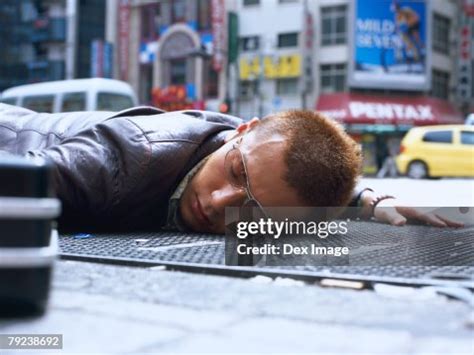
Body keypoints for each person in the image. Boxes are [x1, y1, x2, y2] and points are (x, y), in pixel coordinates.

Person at [0, 103, 460, 233]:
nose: (218, 203)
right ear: (244, 130)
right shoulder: (132, 157)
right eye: (236, 172)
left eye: (253, 212)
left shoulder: (254, 153)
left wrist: (369, 200)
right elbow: (29, 178)